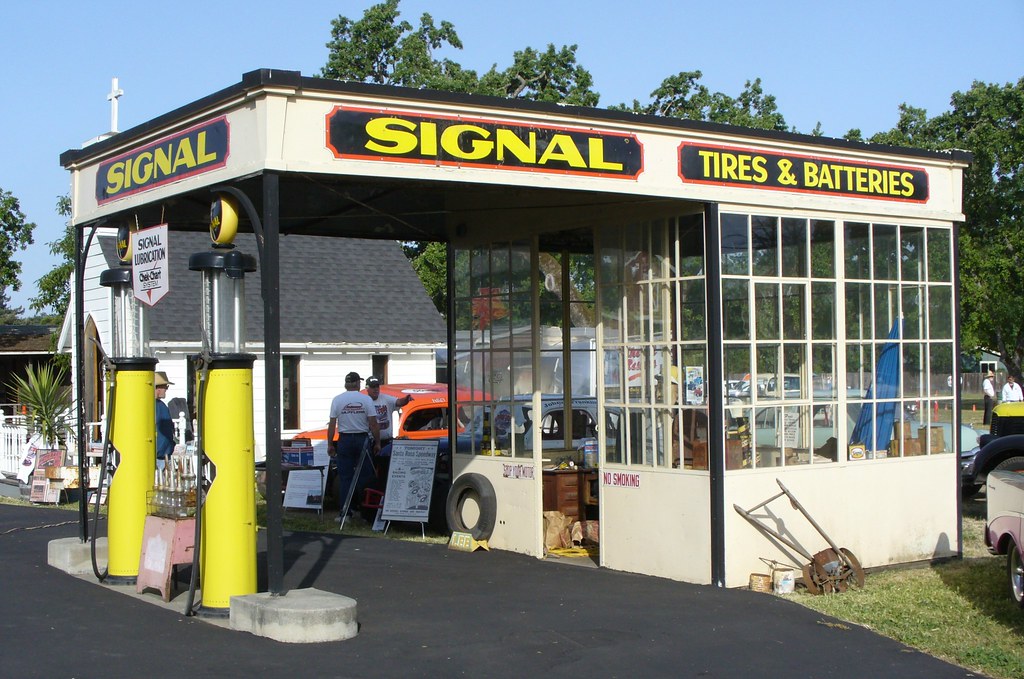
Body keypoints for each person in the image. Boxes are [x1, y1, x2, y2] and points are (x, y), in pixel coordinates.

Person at [326, 372, 381, 522]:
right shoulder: (365, 399)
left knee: (345, 477)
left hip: (344, 439)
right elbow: (373, 423)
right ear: (357, 384)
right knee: (365, 477)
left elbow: (332, 425)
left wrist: (330, 443)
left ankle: (345, 512)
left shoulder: (337, 400)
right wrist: (377, 443)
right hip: (361, 438)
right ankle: (365, 513)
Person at [365, 376, 413, 484]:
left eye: (377, 386)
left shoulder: (385, 398)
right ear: (367, 388)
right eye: (373, 387)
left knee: (385, 469)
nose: (376, 389)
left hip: (386, 441)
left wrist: (406, 399)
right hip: (370, 441)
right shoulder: (365, 401)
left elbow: (399, 402)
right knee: (370, 470)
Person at [155, 372, 175, 471]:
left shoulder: (161, 405)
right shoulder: (155, 406)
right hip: (158, 457)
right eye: (165, 387)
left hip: (163, 456)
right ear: (158, 388)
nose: (166, 389)